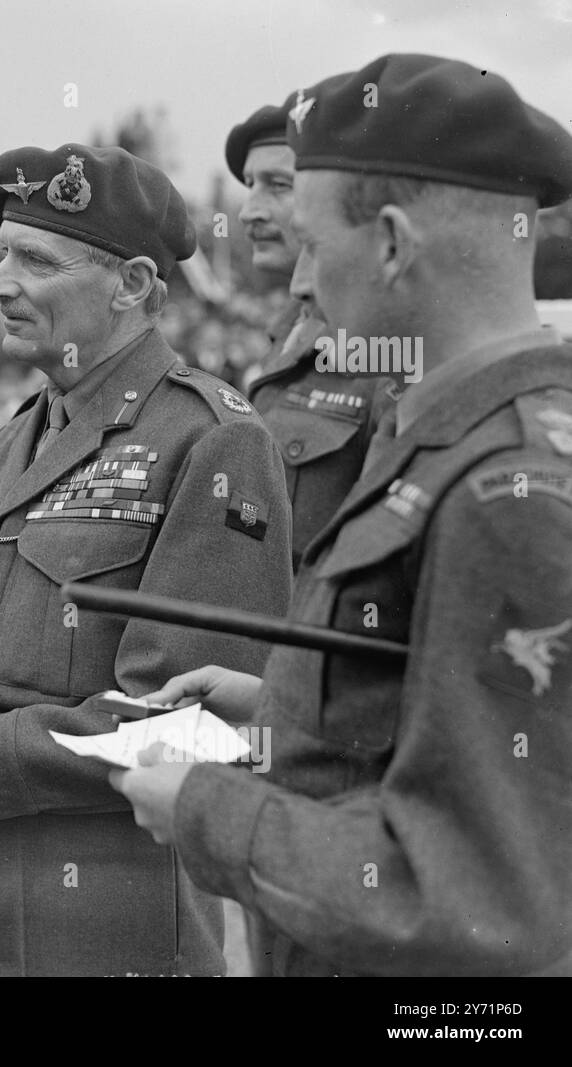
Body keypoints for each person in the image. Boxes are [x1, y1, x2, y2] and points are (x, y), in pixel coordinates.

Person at [110, 54, 572, 976]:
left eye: (313, 245)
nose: (298, 285)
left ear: (395, 243)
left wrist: (202, 809)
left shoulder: (503, 488)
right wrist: (280, 705)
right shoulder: (452, 432)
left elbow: (484, 894)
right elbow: (430, 706)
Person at [0, 144, 293, 976]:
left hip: (108, 893)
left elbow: (186, 726)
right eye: (0, 256)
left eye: (35, 261)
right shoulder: (19, 432)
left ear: (131, 284)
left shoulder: (211, 438)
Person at [227, 93, 397, 570]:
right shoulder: (288, 331)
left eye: (278, 185)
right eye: (249, 185)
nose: (248, 212)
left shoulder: (386, 350)